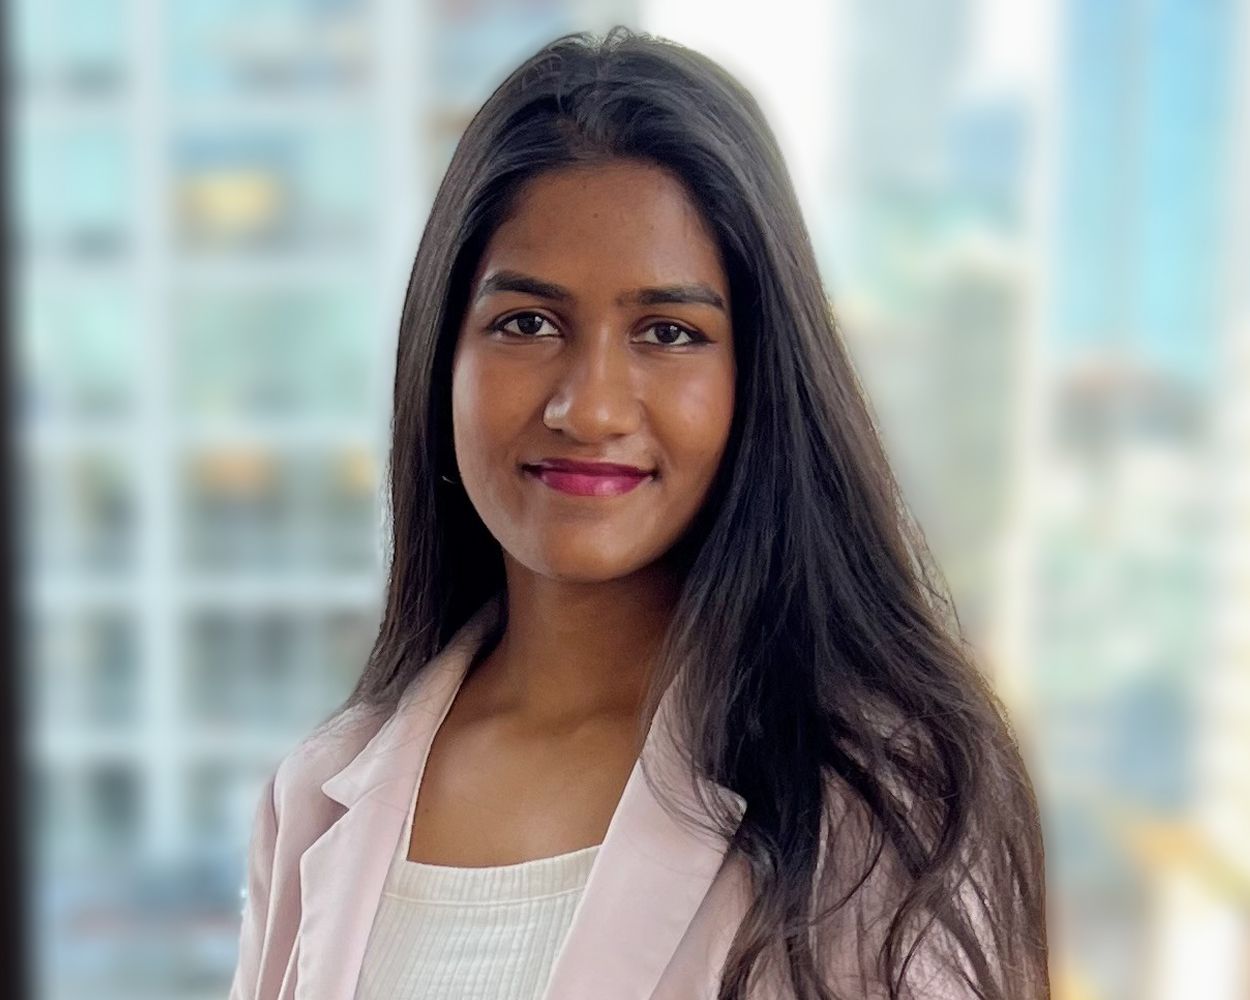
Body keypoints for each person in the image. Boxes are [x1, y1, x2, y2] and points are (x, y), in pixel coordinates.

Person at [227, 26, 1050, 1000]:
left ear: (756, 375)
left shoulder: (876, 799)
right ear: (439, 357)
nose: (590, 406)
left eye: (667, 332)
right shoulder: (320, 796)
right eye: (525, 324)